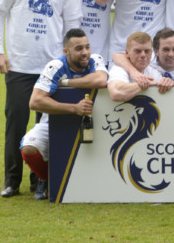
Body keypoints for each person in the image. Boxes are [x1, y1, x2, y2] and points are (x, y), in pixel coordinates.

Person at [0, 0, 82, 198]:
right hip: (19, 66)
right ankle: (12, 180)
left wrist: (69, 61)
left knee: (46, 127)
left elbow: (73, 26)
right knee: (15, 124)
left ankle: (41, 181)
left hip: (50, 69)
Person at [20, 29, 108, 200]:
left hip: (94, 121)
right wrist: (74, 108)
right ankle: (46, 179)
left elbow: (100, 80)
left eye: (87, 47)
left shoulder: (95, 60)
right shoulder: (55, 67)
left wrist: (66, 83)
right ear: (66, 51)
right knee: (29, 149)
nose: (85, 53)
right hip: (54, 121)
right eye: (78, 48)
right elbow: (35, 102)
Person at [107, 32, 167, 101]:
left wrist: (167, 83)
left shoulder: (153, 72)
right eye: (138, 51)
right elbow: (116, 93)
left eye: (147, 51)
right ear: (127, 53)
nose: (143, 55)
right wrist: (145, 84)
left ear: (151, 53)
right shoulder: (119, 69)